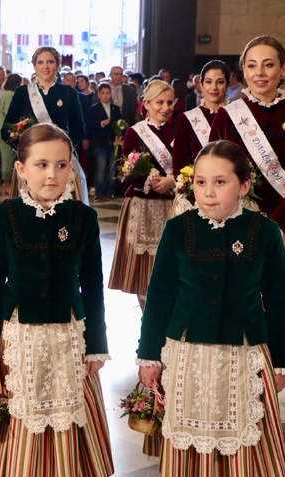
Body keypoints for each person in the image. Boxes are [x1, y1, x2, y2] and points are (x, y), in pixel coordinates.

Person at [137, 140, 285, 477]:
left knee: (232, 443)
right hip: (187, 352)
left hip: (239, 354)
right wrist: (148, 353)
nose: (208, 191)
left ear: (243, 186)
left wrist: (283, 362)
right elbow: (160, 295)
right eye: (202, 182)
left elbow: (278, 300)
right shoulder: (178, 229)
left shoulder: (265, 231)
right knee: (187, 437)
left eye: (220, 182)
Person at [0, 123, 113, 477]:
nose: (51, 175)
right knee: (22, 425)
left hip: (67, 336)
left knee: (58, 426)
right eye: (41, 165)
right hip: (18, 338)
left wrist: (98, 343)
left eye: (61, 165)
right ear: (21, 169)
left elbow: (92, 283)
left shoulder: (82, 219)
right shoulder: (4, 216)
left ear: (73, 171)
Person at [209, 35, 285, 386]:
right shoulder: (229, 116)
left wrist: (273, 224)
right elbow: (212, 171)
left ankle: (273, 386)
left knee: (279, 306)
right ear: (242, 71)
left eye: (269, 64)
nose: (260, 73)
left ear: (283, 69)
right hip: (236, 228)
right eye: (252, 65)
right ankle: (233, 385)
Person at [109, 79, 177, 309]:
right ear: (146, 104)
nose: (165, 107)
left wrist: (172, 181)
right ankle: (146, 315)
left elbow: (188, 163)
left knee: (168, 262)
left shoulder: (180, 128)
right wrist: (149, 180)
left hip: (172, 205)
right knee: (142, 269)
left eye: (169, 102)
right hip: (142, 204)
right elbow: (126, 168)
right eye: (159, 102)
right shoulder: (134, 132)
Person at [1, 46, 88, 204]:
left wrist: (65, 150)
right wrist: (23, 148)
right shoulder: (22, 93)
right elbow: (6, 129)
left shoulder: (69, 93)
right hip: (31, 162)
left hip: (60, 162)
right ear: (34, 66)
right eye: (41, 62)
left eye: (50, 62)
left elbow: (78, 128)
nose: (46, 66)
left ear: (57, 65)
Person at [174, 60, 229, 175]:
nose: (214, 87)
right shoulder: (186, 119)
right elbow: (179, 164)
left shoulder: (237, 115)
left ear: (227, 85)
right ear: (201, 85)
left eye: (220, 82)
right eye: (208, 82)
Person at [84, 82, 121, 200]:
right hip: (99, 143)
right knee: (100, 168)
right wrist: (101, 123)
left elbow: (120, 125)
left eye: (108, 93)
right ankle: (99, 193)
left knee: (112, 169)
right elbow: (89, 125)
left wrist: (119, 137)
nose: (105, 96)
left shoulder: (115, 108)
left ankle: (110, 192)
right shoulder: (94, 109)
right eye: (103, 93)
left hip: (113, 143)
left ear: (111, 94)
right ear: (99, 95)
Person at [0, 73, 23, 198]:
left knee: (10, 158)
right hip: (5, 131)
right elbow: (9, 112)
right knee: (7, 158)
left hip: (6, 130)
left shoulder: (8, 94)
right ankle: (6, 184)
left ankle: (10, 183)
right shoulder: (10, 94)